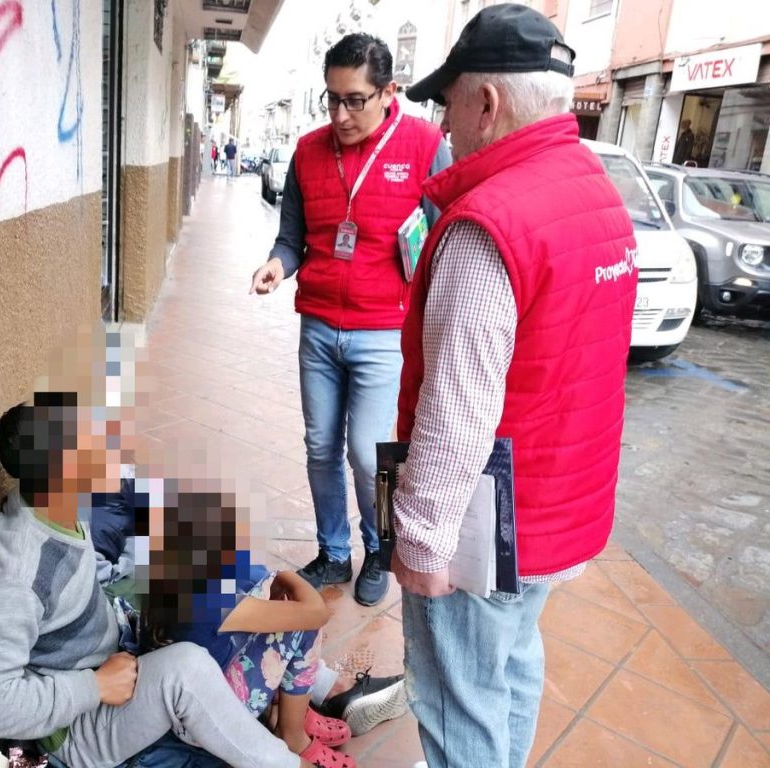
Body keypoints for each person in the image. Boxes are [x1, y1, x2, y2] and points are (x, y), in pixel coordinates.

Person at [394, 5, 636, 767]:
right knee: (514, 662)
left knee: (456, 694)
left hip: (488, 525)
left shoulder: (486, 224)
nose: (445, 125)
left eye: (449, 104)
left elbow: (455, 411)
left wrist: (418, 539)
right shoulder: (594, 192)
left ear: (486, 103)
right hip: (560, 509)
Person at [0, 393, 314, 768]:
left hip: (114, 648)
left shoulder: (48, 501)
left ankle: (312, 686)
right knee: (186, 669)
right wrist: (93, 687)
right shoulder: (19, 578)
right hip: (83, 726)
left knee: (230, 574)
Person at [249, 33, 451, 607]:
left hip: (384, 334)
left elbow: (445, 239)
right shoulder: (308, 153)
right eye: (331, 99)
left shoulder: (426, 145)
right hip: (318, 330)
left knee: (370, 454)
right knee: (320, 448)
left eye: (354, 100)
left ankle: (379, 547)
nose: (340, 114)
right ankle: (335, 552)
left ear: (389, 92)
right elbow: (291, 239)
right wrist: (276, 265)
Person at [138, 484, 358, 768]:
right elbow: (316, 612)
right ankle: (293, 735)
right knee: (300, 624)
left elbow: (258, 577)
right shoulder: (208, 600)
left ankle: (289, 710)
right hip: (202, 722)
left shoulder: (165, 587)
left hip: (181, 704)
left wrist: (273, 586)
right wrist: (287, 575)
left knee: (274, 603)